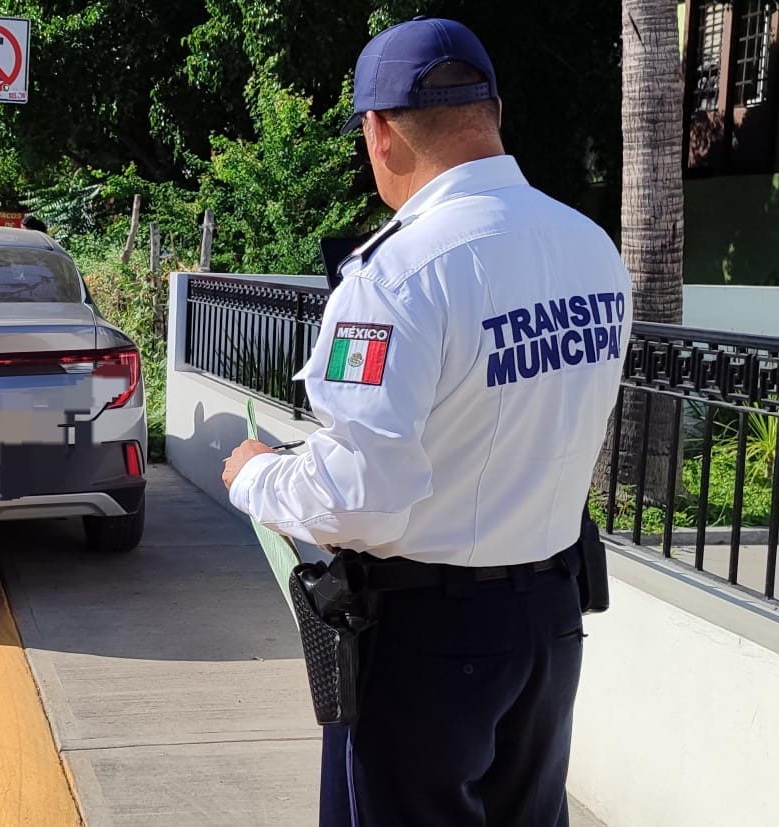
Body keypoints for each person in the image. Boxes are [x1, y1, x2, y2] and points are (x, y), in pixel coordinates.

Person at [219, 17, 632, 827]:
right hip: (548, 621)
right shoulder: (588, 246)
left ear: (377, 132)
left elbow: (362, 499)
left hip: (429, 637)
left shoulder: (395, 275)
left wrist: (254, 476)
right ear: (495, 112)